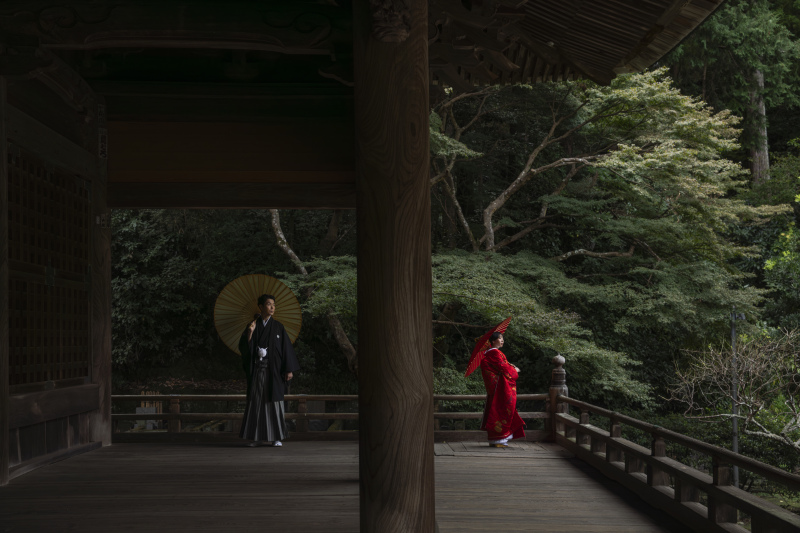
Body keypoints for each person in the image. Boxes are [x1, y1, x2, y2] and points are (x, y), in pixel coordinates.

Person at [238, 293, 300, 447]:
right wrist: (250, 334)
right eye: (268, 304)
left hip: (274, 371)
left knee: (274, 402)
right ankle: (256, 437)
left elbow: (286, 348)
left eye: (273, 304)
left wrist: (289, 369)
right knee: (257, 402)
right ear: (260, 307)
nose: (272, 307)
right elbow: (245, 349)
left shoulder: (278, 326)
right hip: (258, 370)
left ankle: (276, 437)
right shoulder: (252, 325)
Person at [479, 332, 525, 448]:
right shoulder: (494, 353)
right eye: (500, 338)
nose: (502, 340)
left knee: (496, 410)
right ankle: (499, 439)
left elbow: (502, 366)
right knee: (502, 410)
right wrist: (515, 370)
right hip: (500, 389)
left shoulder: (491, 354)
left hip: (496, 389)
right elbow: (503, 367)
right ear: (493, 341)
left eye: (502, 338)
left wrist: (511, 367)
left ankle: (497, 439)